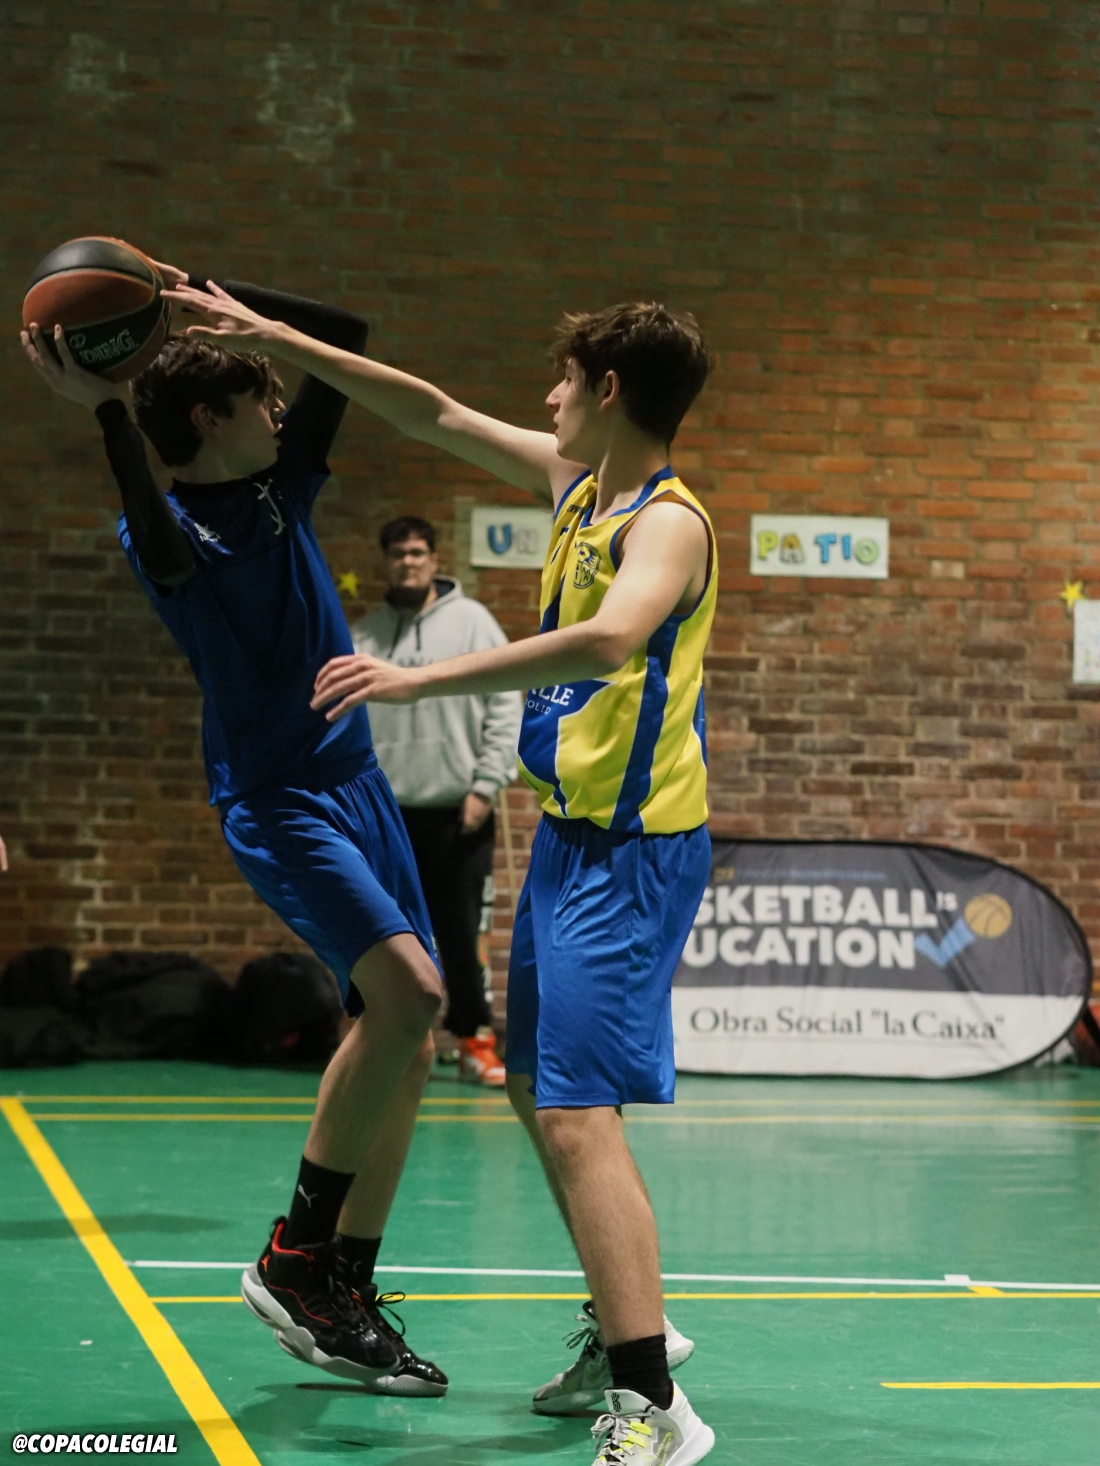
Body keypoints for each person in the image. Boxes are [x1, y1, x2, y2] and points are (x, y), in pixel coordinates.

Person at [163, 279, 717, 1466]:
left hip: (631, 851)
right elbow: (429, 409)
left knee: (573, 1112)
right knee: (536, 1089)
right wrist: (275, 337)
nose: (547, 398)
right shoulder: (576, 484)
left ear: (609, 389)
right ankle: (622, 1329)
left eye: (562, 380)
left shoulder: (665, 522)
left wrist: (415, 679)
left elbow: (609, 638)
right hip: (568, 838)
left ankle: (653, 1402)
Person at [20, 270, 450, 1400]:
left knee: (410, 1032)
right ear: (210, 420)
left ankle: (344, 1284)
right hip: (280, 800)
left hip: (358, 784)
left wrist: (194, 290)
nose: (281, 409)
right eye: (261, 398)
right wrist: (108, 409)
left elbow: (344, 330)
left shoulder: (282, 482)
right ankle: (294, 1257)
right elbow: (162, 538)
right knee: (407, 994)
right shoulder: (161, 531)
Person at [350, 515, 521, 1085]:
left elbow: (505, 703)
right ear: (386, 561)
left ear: (434, 559)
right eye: (398, 553)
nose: (408, 562)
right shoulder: (364, 636)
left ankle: (474, 1041)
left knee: (460, 934)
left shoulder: (473, 623)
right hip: (385, 816)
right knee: (384, 939)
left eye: (418, 552)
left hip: (458, 812)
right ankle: (388, 1042)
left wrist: (486, 785)